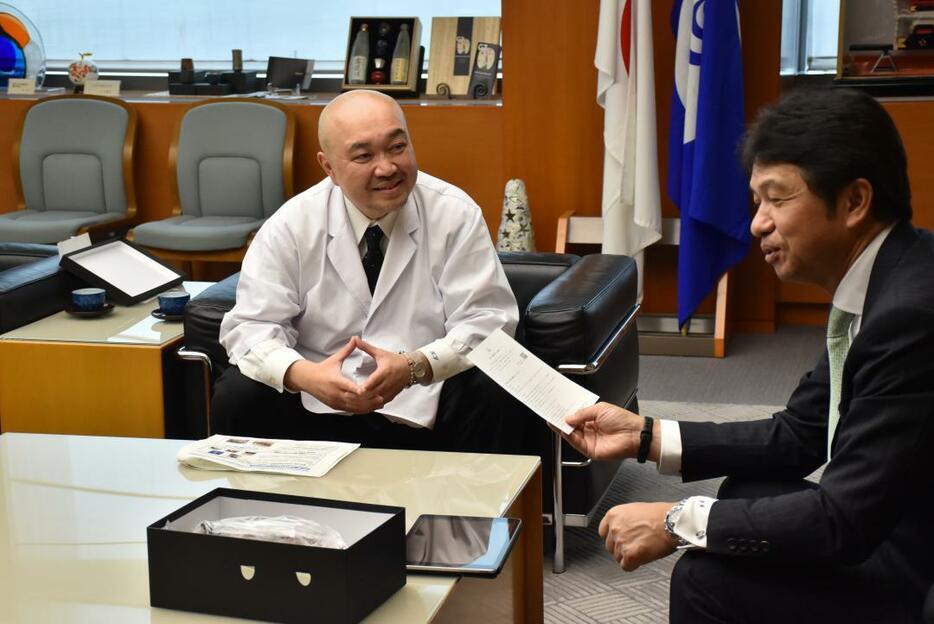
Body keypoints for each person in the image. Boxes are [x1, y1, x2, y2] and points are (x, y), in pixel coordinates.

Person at [562, 87, 933, 623]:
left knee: (707, 579)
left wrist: (674, 520)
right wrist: (643, 436)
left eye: (777, 198)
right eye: (757, 201)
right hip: (896, 519)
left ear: (854, 201)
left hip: (918, 567)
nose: (758, 222)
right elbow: (799, 435)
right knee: (744, 493)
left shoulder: (910, 315)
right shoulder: (887, 276)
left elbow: (842, 522)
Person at [213, 89, 521, 453]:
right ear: (328, 167)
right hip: (317, 401)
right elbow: (249, 327)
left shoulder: (453, 213)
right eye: (364, 155)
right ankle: (257, 508)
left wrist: (414, 365)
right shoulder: (292, 225)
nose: (387, 168)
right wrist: (305, 376)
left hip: (426, 394)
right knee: (238, 392)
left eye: (397, 147)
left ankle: (478, 510)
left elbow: (487, 321)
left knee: (495, 384)